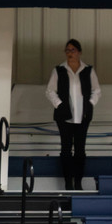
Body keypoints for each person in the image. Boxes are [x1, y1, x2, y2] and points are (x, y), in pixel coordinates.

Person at [46, 39, 101, 190]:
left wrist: (90, 103)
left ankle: (78, 181)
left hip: (83, 115)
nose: (70, 53)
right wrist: (59, 104)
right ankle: (68, 181)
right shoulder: (59, 70)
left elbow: (96, 90)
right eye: (67, 50)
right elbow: (50, 90)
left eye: (73, 50)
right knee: (65, 149)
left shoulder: (88, 70)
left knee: (80, 150)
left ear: (79, 52)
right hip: (64, 116)